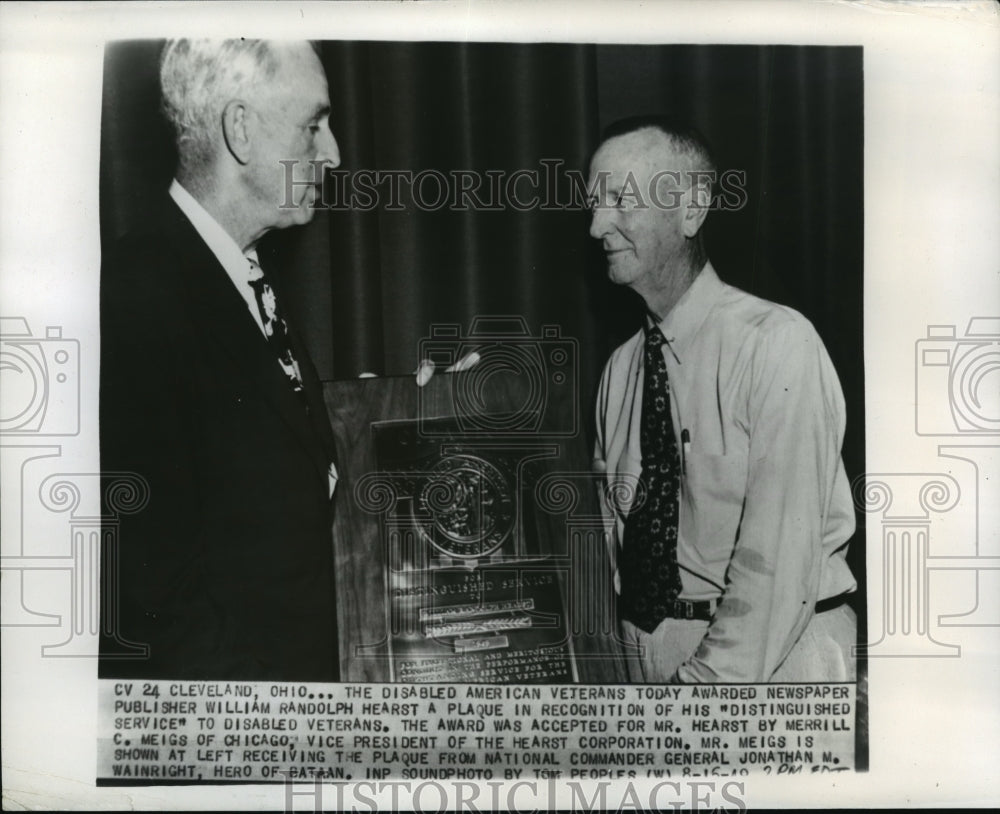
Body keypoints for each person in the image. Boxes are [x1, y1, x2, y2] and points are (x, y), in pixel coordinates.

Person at [100, 39, 393, 681]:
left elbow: (277, 482)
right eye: (313, 125)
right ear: (240, 130)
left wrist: (411, 417)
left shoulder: (238, 273)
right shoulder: (137, 292)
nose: (334, 152)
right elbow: (154, 600)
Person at [589, 115, 858, 684]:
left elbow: (776, 569)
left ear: (691, 208)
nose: (596, 225)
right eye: (593, 202)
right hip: (648, 659)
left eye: (619, 197)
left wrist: (695, 702)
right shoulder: (619, 371)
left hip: (773, 666)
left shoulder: (777, 345)